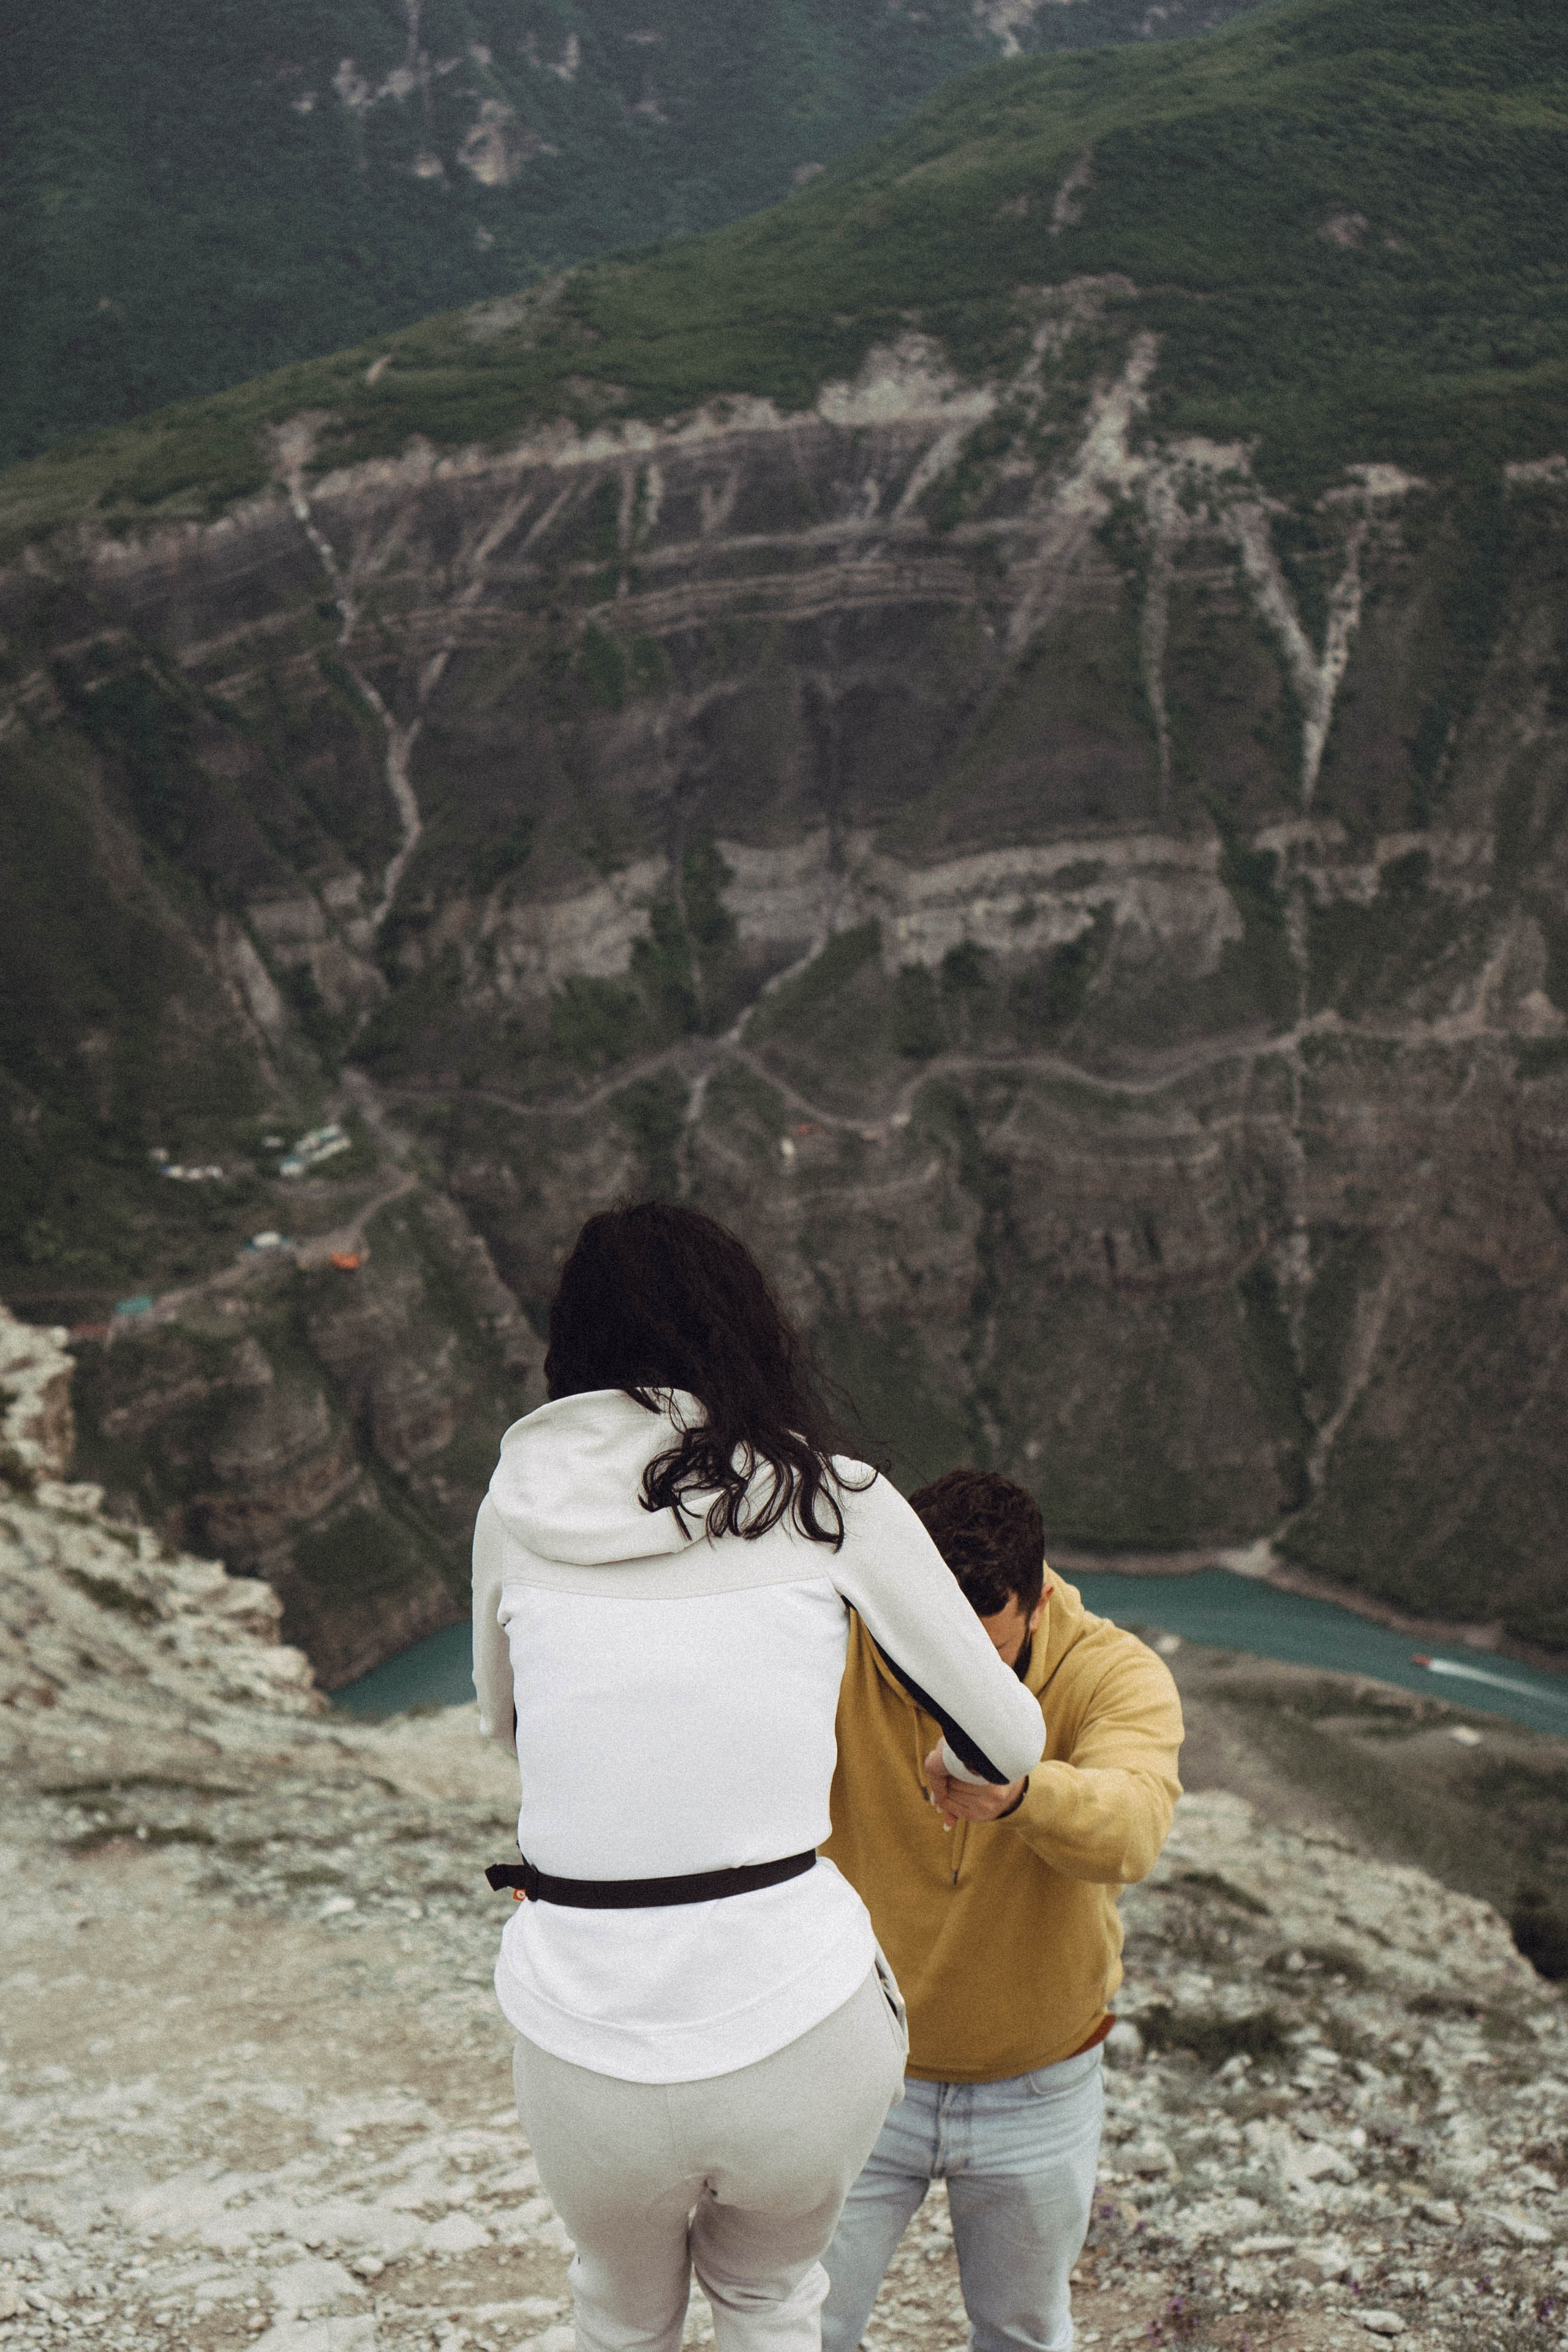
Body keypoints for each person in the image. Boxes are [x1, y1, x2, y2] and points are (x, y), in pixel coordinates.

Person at [471, 1206, 1046, 2352]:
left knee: (618, 2319)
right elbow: (1014, 1739)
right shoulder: (830, 1499)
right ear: (745, 1329)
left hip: (585, 2029)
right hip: (800, 2022)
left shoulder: (515, 1511)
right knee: (775, 2307)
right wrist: (960, 1768)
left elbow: (506, 1723)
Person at [820, 1468, 1185, 2352]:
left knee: (1021, 2333)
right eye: (929, 1647)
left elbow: (1135, 1829)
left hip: (1038, 2085)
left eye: (979, 1653)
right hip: (856, 2069)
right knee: (802, 2326)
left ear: (1037, 1599)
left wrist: (1025, 1797)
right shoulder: (833, 1648)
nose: (952, 1683)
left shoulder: (1113, 1672)